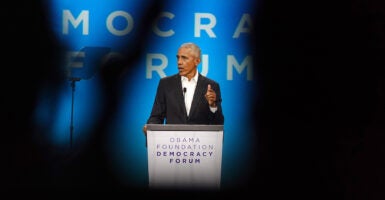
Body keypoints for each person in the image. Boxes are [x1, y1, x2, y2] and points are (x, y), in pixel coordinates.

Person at [142, 42, 224, 134]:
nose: (179, 62)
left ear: (197, 61)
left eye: (184, 58)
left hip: (200, 145)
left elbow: (218, 123)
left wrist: (212, 106)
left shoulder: (211, 86)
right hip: (171, 143)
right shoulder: (166, 84)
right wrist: (150, 128)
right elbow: (156, 116)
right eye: (178, 57)